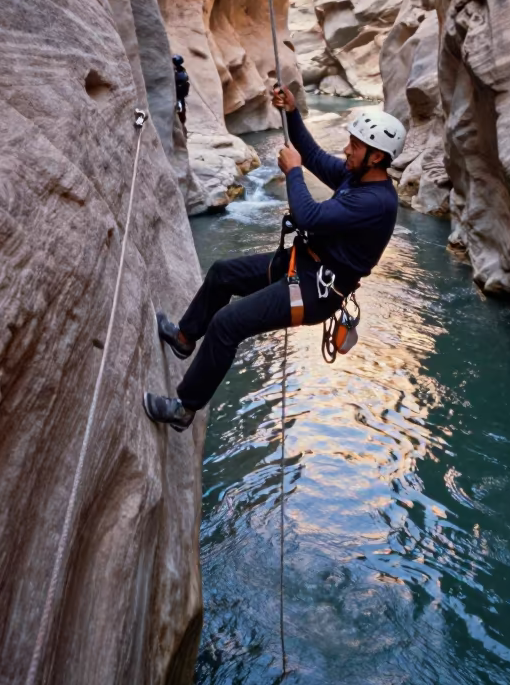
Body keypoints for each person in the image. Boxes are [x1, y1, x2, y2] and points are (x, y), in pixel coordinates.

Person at [143, 87, 406, 431]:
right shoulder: (353, 177)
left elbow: (308, 216)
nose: (346, 150)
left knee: (227, 325)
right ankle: (184, 338)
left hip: (317, 291)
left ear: (375, 157)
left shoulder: (376, 202)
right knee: (223, 274)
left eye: (355, 147)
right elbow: (311, 154)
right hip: (304, 265)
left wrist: (293, 173)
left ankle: (184, 409)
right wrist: (293, 113)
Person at [173, 52, 190, 127]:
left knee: (180, 102)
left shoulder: (177, 71)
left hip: (179, 90)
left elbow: (179, 78)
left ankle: (180, 114)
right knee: (181, 102)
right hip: (182, 90)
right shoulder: (182, 70)